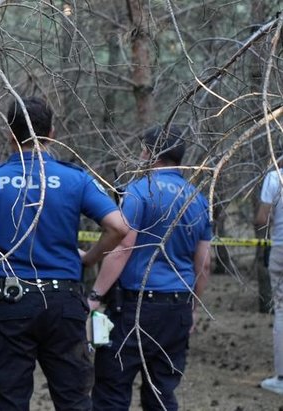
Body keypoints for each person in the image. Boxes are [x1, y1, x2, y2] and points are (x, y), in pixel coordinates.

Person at [0, 96, 128, 411]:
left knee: (9, 400)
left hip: (10, 301)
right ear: (51, 133)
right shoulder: (75, 178)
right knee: (74, 399)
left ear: (9, 134)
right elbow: (119, 227)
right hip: (63, 303)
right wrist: (89, 259)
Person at [91, 125, 212, 410]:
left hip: (135, 309)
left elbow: (123, 248)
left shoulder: (138, 192)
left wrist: (95, 296)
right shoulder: (198, 199)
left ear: (150, 153)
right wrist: (193, 307)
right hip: (177, 308)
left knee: (112, 390)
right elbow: (204, 263)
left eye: (142, 149)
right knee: (161, 394)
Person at [255, 163, 283, 395]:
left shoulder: (275, 177)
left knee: (282, 311)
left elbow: (262, 218)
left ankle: (282, 377)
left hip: (281, 247)